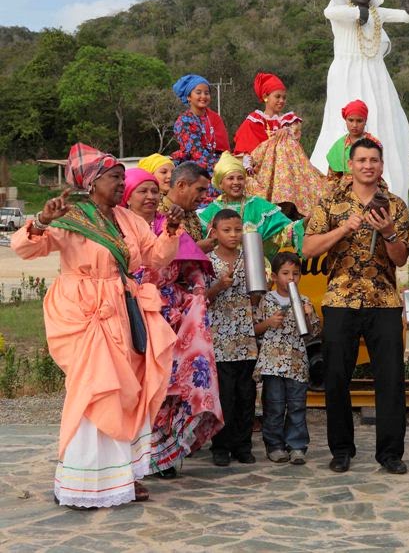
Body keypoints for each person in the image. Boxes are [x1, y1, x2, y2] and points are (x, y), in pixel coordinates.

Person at [11, 143, 183, 508]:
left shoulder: (129, 220)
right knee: (93, 389)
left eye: (123, 178)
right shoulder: (72, 216)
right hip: (83, 312)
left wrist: (171, 231)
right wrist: (42, 220)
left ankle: (123, 476)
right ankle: (82, 481)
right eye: (115, 178)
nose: (123, 184)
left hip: (122, 308)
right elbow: (25, 248)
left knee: (125, 389)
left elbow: (153, 258)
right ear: (93, 183)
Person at [302, 137, 409, 475]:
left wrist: (390, 232)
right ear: (350, 164)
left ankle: (391, 453)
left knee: (390, 378)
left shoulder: (394, 204)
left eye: (374, 160)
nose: (368, 166)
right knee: (336, 376)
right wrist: (342, 229)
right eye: (361, 160)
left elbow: (403, 257)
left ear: (381, 165)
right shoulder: (330, 202)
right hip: (340, 298)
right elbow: (307, 249)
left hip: (384, 301)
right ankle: (341, 449)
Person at [121, 168, 223, 478]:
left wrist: (195, 297)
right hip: (131, 315)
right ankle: (128, 455)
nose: (151, 196)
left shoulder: (170, 225)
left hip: (170, 318)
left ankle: (160, 456)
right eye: (143, 191)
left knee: (166, 388)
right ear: (127, 196)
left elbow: (191, 268)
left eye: (155, 190)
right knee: (136, 386)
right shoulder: (116, 228)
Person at [310, 0, 409, 200]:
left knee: (385, 122)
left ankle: (386, 184)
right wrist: (357, 14)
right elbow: (329, 11)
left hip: (376, 73)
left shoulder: (376, 14)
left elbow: (402, 16)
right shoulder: (340, 12)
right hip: (346, 73)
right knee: (340, 126)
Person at [253, 252, 321, 465]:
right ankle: (274, 445)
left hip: (296, 363)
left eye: (296, 274)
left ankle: (297, 446)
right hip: (273, 364)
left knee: (297, 405)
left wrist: (309, 314)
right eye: (285, 273)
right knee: (274, 405)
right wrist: (269, 323)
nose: (291, 278)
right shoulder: (267, 300)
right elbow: (254, 328)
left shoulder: (304, 300)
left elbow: (314, 332)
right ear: (274, 276)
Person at [206, 209, 259, 467]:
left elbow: (258, 295)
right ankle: (221, 445)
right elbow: (201, 297)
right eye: (227, 230)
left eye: (238, 230)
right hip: (219, 341)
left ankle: (243, 445)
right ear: (213, 232)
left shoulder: (250, 259)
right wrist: (218, 286)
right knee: (224, 396)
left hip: (245, 340)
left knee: (246, 395)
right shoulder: (207, 261)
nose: (234, 235)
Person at [234, 72, 325, 218]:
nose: (281, 100)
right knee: (281, 141)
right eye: (277, 96)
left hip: (286, 168)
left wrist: (286, 131)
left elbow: (295, 145)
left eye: (284, 97)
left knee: (286, 140)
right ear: (265, 97)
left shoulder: (287, 122)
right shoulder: (253, 121)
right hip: (262, 166)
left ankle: (290, 198)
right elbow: (246, 151)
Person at [199, 152, 303, 258]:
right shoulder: (212, 210)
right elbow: (199, 242)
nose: (236, 182)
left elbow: (283, 232)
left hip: (255, 267)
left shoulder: (258, 205)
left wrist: (305, 224)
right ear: (221, 183)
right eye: (230, 178)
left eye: (240, 178)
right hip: (221, 270)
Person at [170, 74, 229, 205]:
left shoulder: (213, 117)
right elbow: (195, 152)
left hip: (215, 162)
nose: (203, 96)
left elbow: (222, 147)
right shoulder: (184, 121)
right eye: (198, 92)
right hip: (195, 163)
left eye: (207, 93)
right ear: (188, 97)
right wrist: (220, 167)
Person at [161, 162, 214, 252]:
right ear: (181, 185)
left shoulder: (191, 212)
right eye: (200, 190)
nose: (204, 196)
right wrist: (195, 250)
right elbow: (157, 254)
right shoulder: (157, 213)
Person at [324, 99, 380, 182]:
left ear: (365, 121)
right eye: (350, 120)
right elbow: (332, 178)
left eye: (359, 121)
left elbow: (376, 170)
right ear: (345, 121)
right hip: (343, 189)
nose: (354, 125)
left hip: (369, 186)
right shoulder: (339, 146)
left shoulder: (374, 143)